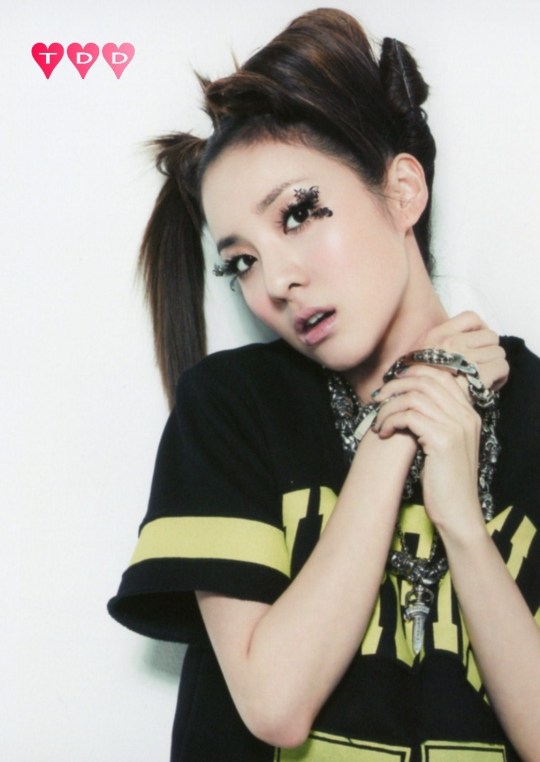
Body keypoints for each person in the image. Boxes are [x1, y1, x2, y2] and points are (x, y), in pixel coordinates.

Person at [108, 8, 540, 761]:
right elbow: (275, 704)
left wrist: (464, 528)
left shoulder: (534, 410)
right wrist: (400, 419)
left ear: (402, 191)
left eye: (300, 214)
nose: (276, 280)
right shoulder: (233, 407)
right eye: (241, 262)